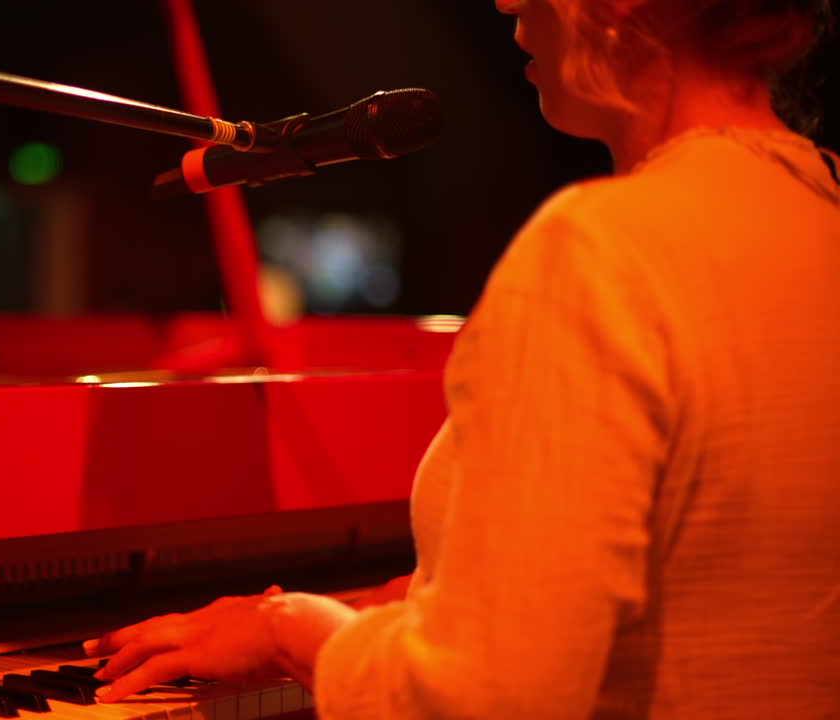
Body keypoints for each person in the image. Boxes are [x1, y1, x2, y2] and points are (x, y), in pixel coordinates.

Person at [83, 0, 840, 716]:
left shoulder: (602, 254)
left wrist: (289, 631)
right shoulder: (817, 213)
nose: (508, 2)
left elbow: (487, 699)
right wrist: (370, 610)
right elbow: (698, 577)